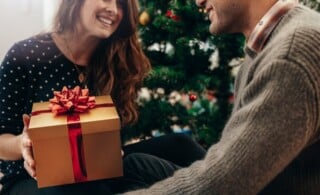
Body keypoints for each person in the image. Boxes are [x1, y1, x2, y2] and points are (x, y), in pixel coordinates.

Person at [0, 0, 206, 194]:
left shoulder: (118, 59)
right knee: (81, 189)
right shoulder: (25, 56)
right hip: (32, 179)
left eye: (121, 4)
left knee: (181, 146)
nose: (114, 10)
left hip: (97, 169)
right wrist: (24, 143)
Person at [123, 0, 320, 194]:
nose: (198, 2)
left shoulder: (291, 53)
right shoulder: (269, 42)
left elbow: (222, 185)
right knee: (137, 166)